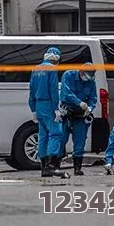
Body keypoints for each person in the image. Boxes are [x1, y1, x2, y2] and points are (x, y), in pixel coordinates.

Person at [28, 47, 69, 179]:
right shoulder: (51, 69)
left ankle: (44, 167)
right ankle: (51, 166)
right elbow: (53, 89)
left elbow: (31, 90)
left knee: (43, 135)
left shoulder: (35, 69)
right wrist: (56, 109)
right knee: (56, 133)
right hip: (48, 105)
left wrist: (33, 109)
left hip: (38, 105)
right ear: (56, 58)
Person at [59, 63, 98, 176]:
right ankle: (55, 165)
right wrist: (79, 102)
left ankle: (77, 168)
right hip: (66, 112)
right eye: (87, 75)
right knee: (61, 139)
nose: (88, 79)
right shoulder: (68, 75)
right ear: (81, 72)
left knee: (80, 141)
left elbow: (93, 98)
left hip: (80, 115)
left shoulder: (91, 82)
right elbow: (66, 93)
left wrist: (89, 108)